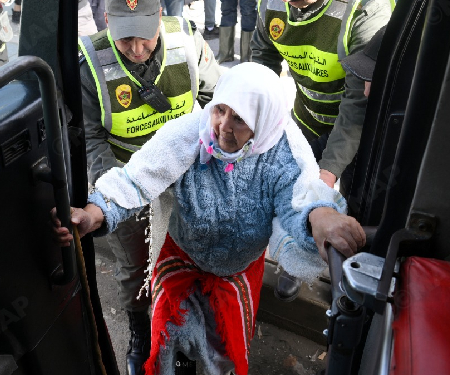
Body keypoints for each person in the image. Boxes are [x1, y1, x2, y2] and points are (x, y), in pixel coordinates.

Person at [55, 62, 365, 375]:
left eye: (240, 118)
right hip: (181, 257)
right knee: (174, 337)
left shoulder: (283, 152)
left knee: (224, 346)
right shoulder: (191, 133)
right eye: (220, 110)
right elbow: (138, 177)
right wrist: (94, 213)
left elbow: (302, 198)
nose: (223, 126)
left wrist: (321, 216)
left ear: (263, 123)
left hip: (238, 269)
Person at [77, 0, 223, 375]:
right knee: (135, 267)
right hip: (129, 179)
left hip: (187, 173)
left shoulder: (186, 39)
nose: (137, 49)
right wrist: (117, 193)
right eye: (126, 40)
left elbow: (216, 98)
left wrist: (210, 158)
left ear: (160, 16)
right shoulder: (89, 63)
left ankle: (187, 328)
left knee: (192, 257)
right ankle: (142, 331)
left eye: (145, 35)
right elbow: (91, 137)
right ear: (107, 22)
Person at [250, 0, 393, 299]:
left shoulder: (364, 8)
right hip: (307, 118)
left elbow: (355, 105)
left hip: (358, 130)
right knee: (298, 199)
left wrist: (326, 178)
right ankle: (300, 263)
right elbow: (261, 65)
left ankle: (351, 283)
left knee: (348, 208)